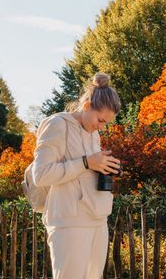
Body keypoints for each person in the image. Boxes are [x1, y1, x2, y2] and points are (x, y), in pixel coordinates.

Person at [31, 72, 122, 279]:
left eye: (105, 123)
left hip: (97, 218)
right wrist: (85, 162)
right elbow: (41, 175)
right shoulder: (57, 124)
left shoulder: (94, 134)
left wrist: (105, 166)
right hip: (69, 222)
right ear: (88, 106)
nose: (101, 127)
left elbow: (86, 171)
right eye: (100, 120)